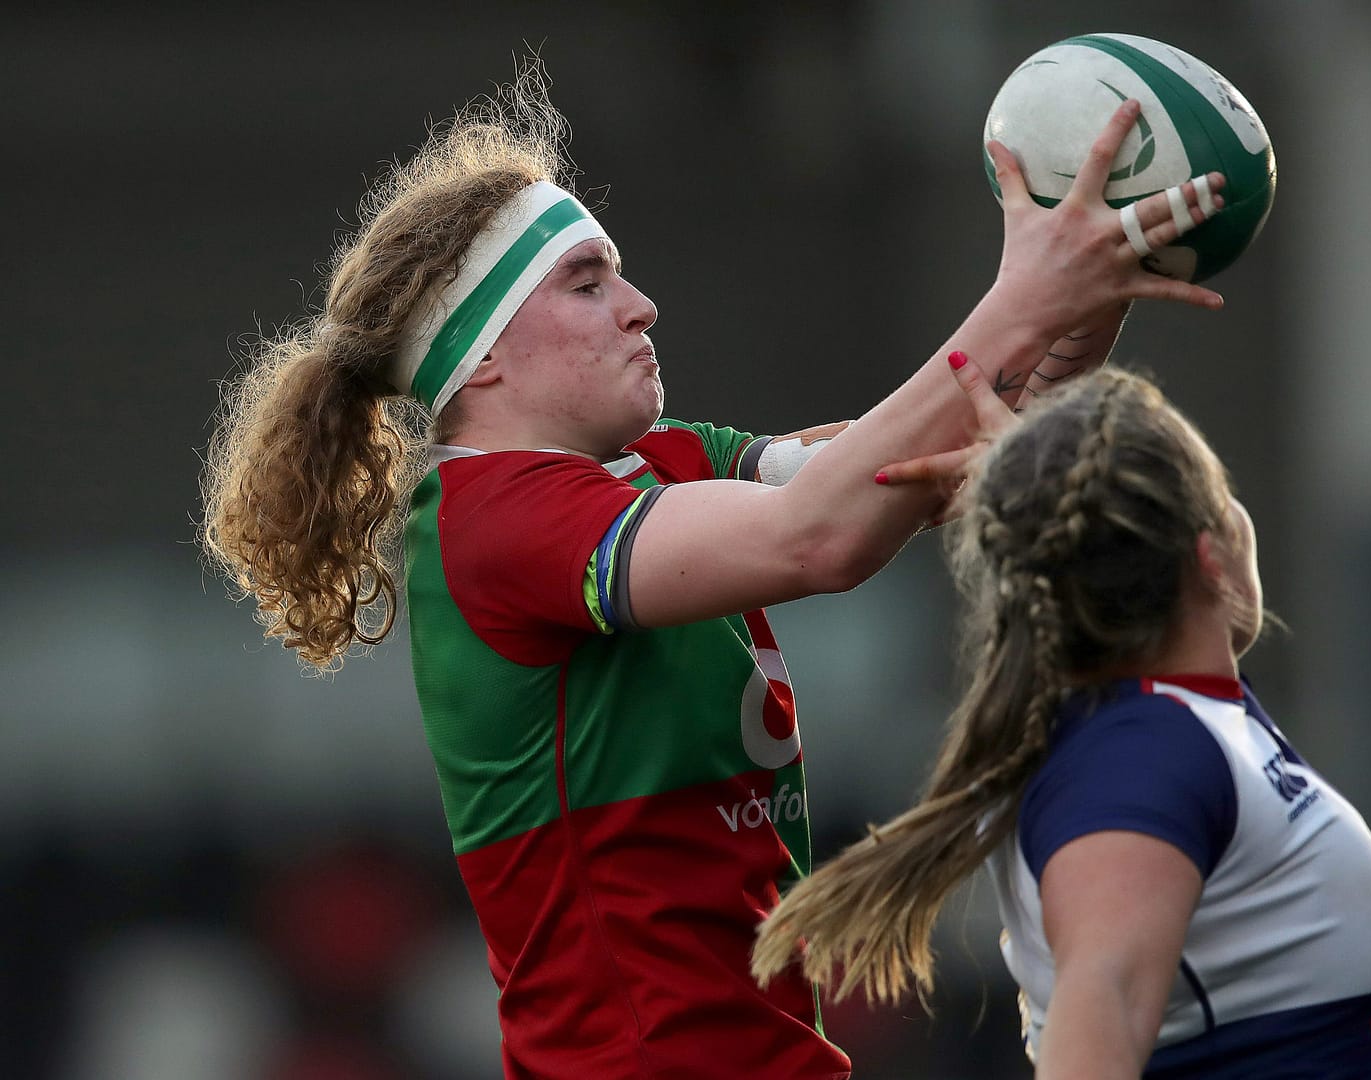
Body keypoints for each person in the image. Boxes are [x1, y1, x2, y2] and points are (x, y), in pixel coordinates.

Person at [199, 59, 1226, 1079]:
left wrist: (1085, 291)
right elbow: (815, 539)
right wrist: (1023, 293)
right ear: (485, 356)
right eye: (587, 282)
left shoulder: (664, 464)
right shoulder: (490, 522)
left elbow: (944, 465)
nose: (641, 306)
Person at [753, 363, 1371, 1077]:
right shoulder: (1142, 760)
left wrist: (1042, 474)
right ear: (1211, 553)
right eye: (1228, 497)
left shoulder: (1172, 727)